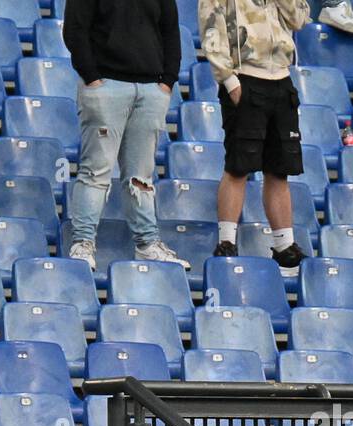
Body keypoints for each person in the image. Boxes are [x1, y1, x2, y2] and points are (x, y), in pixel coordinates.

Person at [63, 0, 189, 271]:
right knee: (96, 171)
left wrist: (167, 81)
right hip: (106, 85)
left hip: (151, 90)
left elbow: (170, 32)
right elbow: (75, 30)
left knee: (141, 175)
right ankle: (83, 243)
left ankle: (147, 244)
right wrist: (92, 77)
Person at [202, 0, 312, 272]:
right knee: (238, 166)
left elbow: (299, 19)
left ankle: (285, 245)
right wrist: (229, 81)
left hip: (281, 78)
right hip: (245, 77)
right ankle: (227, 241)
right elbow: (211, 30)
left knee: (279, 169)